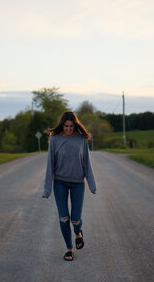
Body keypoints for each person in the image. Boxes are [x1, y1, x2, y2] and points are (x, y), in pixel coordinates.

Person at [43, 111, 97, 261]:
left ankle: (78, 232)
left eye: (71, 126)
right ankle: (69, 249)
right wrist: (47, 188)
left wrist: (92, 184)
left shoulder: (81, 139)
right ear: (62, 125)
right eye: (66, 126)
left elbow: (86, 163)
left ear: (75, 125)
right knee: (64, 217)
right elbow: (50, 166)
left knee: (75, 219)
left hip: (78, 183)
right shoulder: (55, 140)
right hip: (60, 182)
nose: (68, 129)